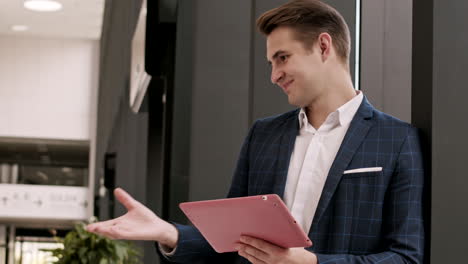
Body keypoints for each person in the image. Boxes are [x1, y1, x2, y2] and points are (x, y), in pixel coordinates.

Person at [87, 0, 425, 263]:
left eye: (282, 58)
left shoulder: (396, 140)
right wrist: (168, 233)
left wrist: (313, 263)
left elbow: (405, 257)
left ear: (324, 47)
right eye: (271, 63)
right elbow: (233, 243)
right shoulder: (263, 137)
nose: (274, 75)